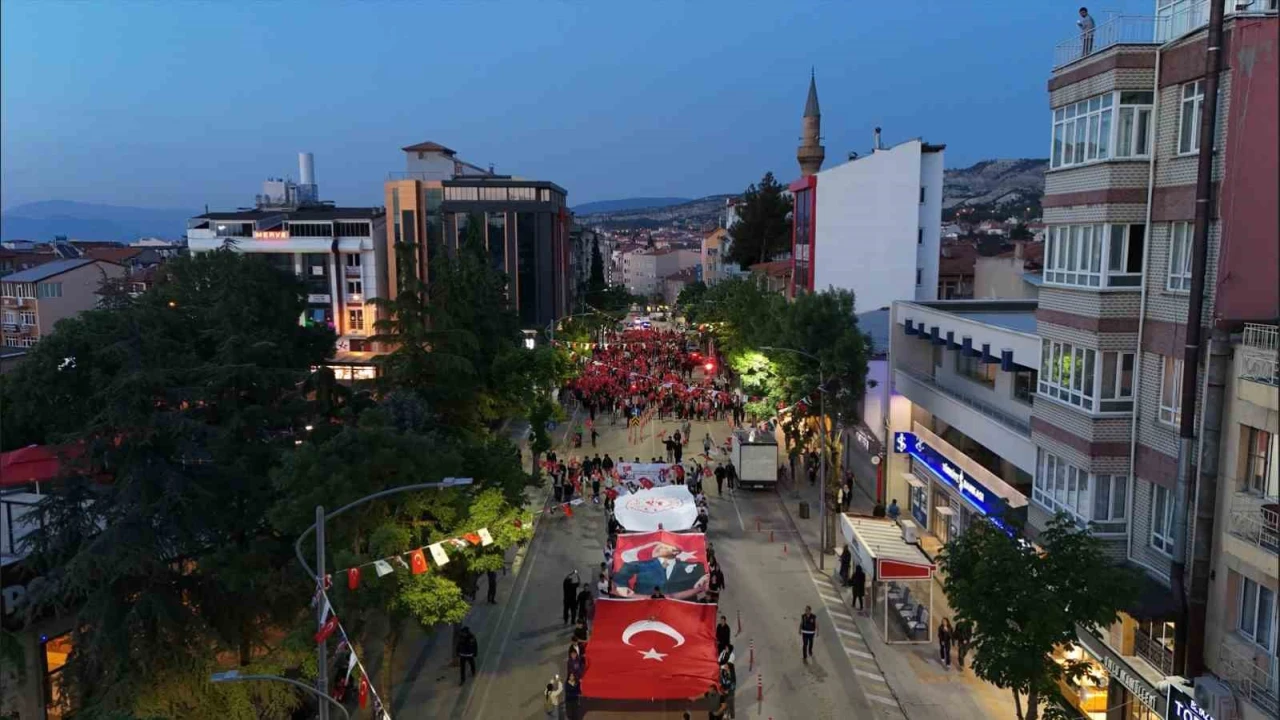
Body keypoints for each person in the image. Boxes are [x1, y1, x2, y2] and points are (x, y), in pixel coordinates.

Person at [613, 541, 708, 600]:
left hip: (677, 610)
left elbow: (702, 581)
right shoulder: (643, 564)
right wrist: (622, 587)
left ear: (676, 551)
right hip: (644, 607)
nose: (658, 547)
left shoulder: (692, 567)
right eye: (658, 546)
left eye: (664, 546)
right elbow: (623, 574)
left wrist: (703, 580)